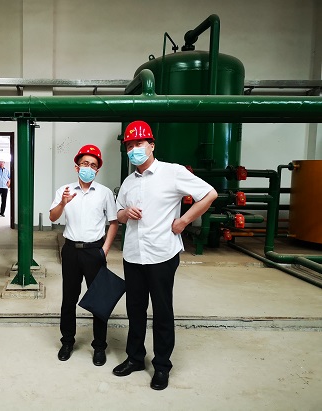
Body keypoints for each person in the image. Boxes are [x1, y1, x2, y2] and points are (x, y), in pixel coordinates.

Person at [113, 120, 218, 390]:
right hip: (133, 255)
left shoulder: (172, 172)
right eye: (129, 146)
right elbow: (118, 214)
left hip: (161, 255)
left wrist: (184, 221)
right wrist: (125, 213)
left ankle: (161, 366)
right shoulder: (128, 182)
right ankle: (135, 358)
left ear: (151, 145)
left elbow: (209, 194)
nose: (134, 149)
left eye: (139, 143)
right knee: (135, 309)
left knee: (162, 311)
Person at [49, 145, 118, 366]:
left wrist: (104, 249)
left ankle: (99, 346)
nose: (89, 168)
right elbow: (52, 217)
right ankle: (67, 342)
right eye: (85, 163)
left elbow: (114, 222)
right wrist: (63, 203)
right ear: (77, 166)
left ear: (97, 170)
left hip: (94, 251)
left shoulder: (105, 193)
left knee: (99, 299)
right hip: (71, 250)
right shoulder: (64, 191)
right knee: (69, 298)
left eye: (93, 165)